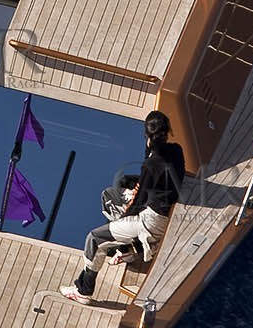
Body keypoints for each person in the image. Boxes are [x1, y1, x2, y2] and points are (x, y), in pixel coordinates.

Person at [61, 112, 186, 304]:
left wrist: (122, 220)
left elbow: (139, 201)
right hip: (163, 207)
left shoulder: (151, 164)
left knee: (95, 238)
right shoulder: (176, 151)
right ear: (167, 131)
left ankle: (83, 289)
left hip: (151, 221)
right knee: (110, 194)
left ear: (147, 136)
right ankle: (126, 250)